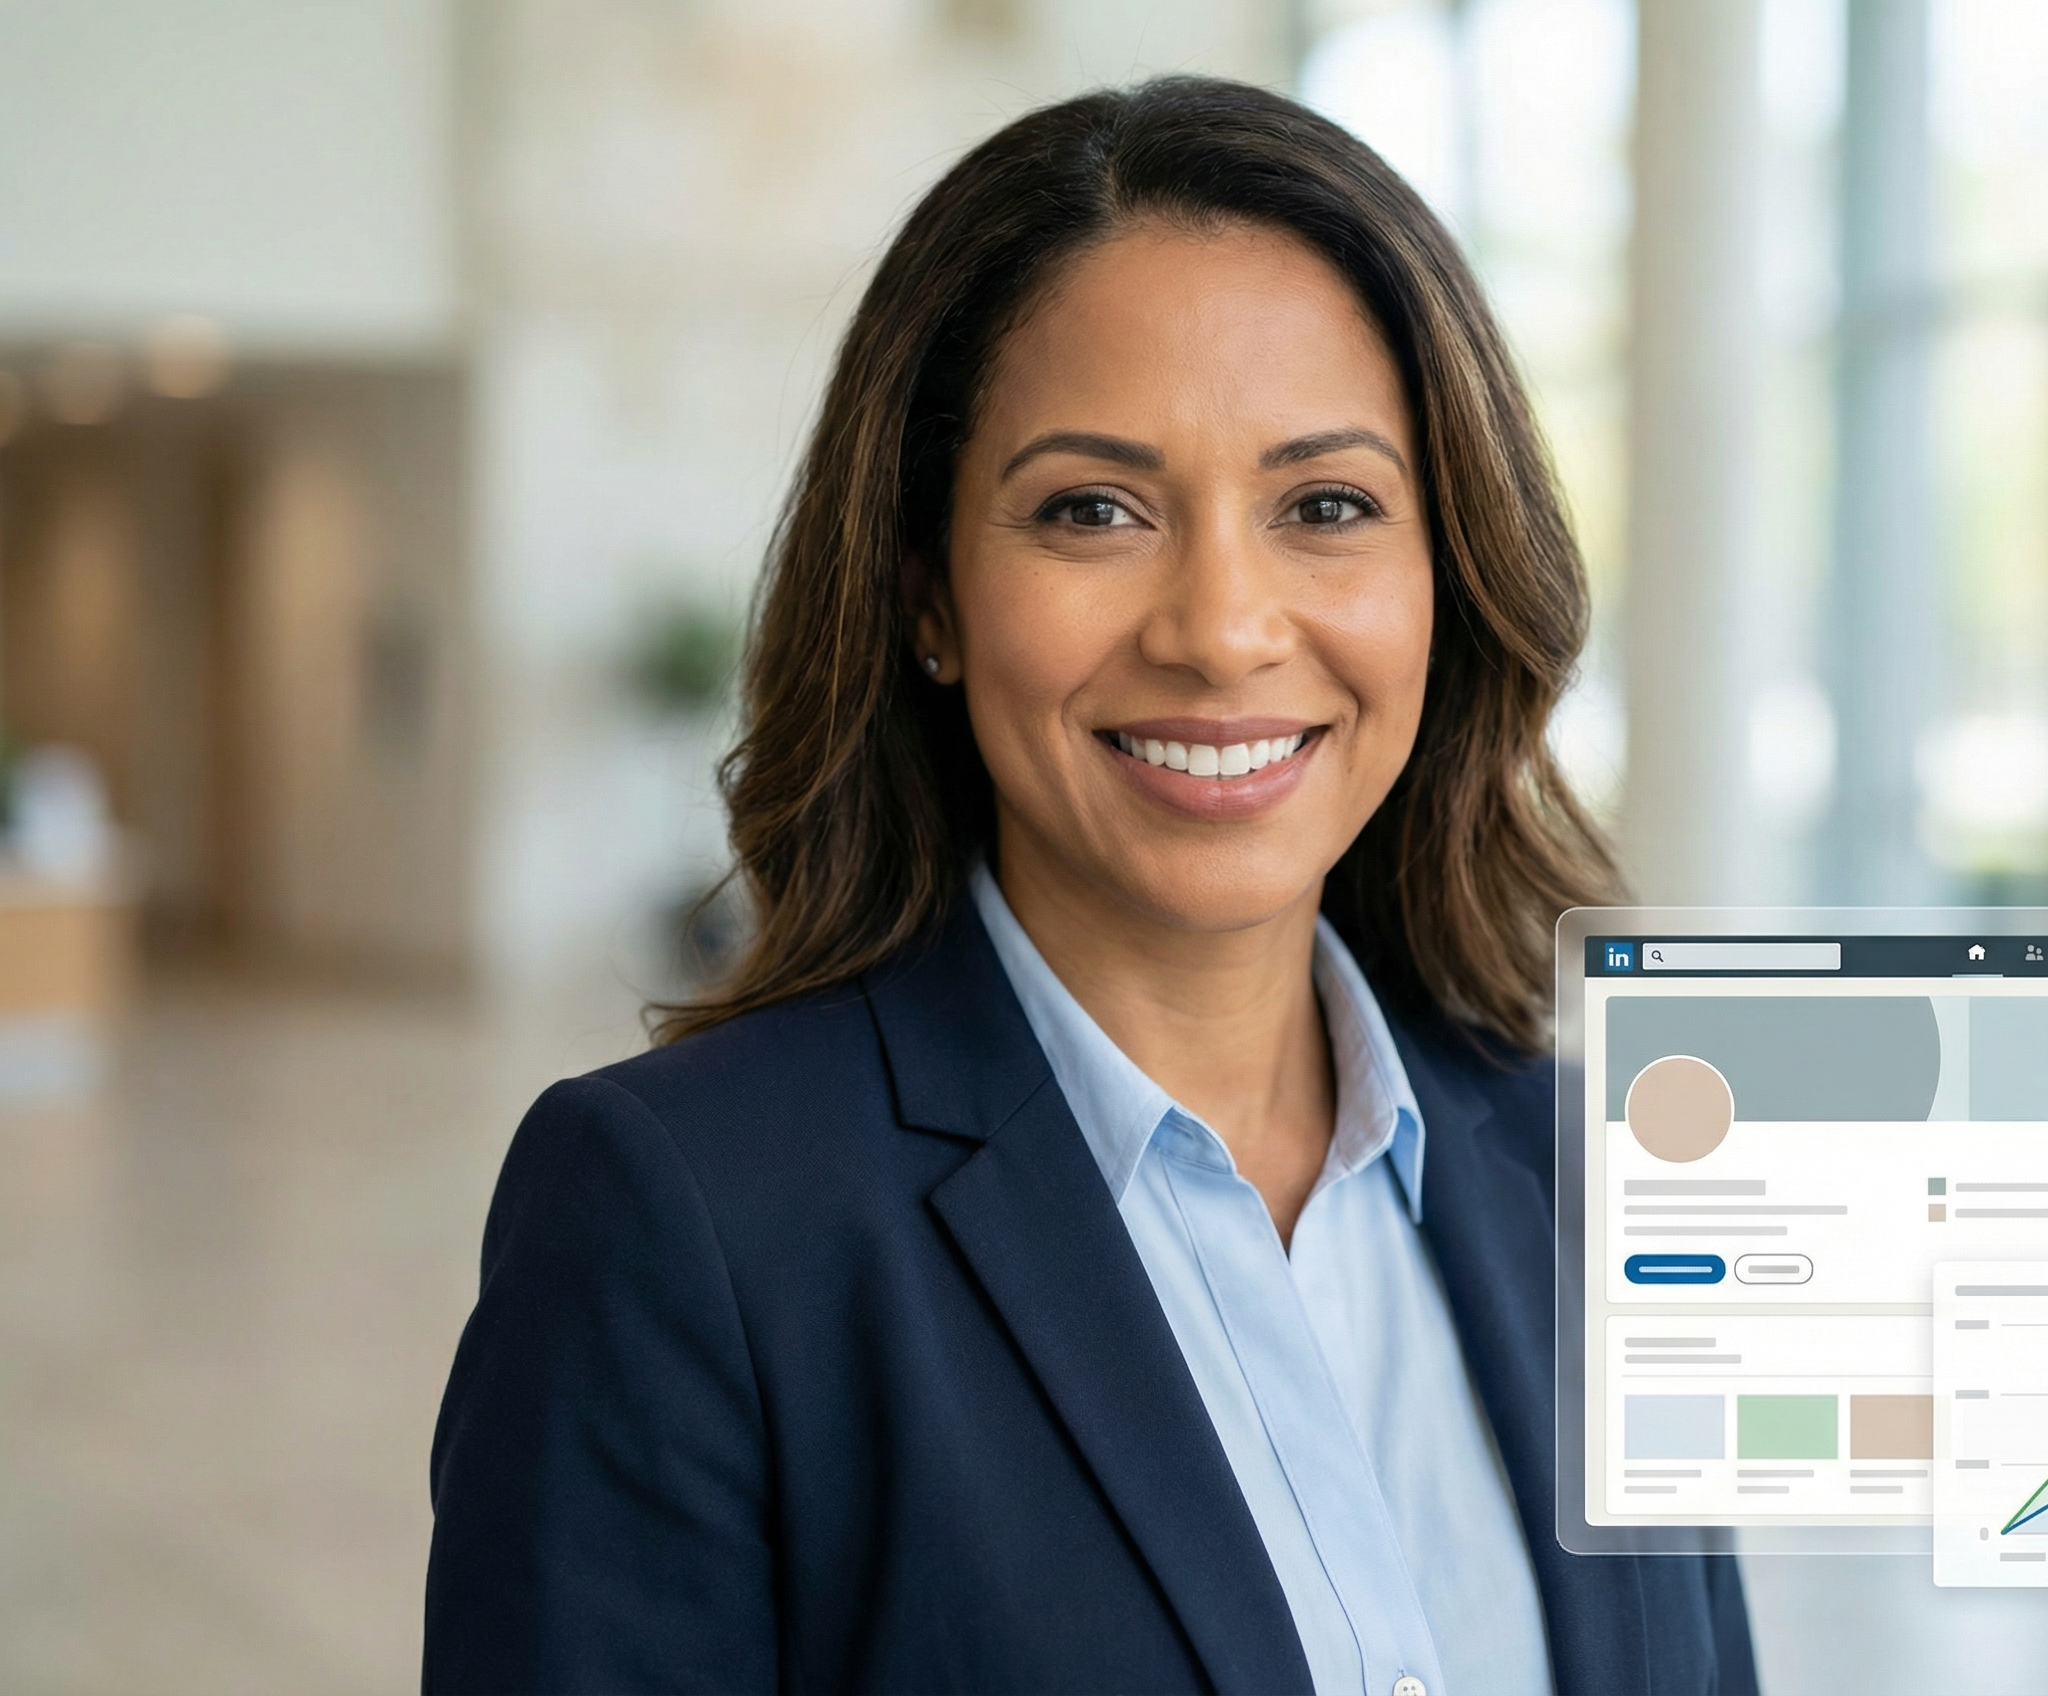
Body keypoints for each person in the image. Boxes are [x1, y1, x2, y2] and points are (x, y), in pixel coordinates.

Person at [423, 75, 1757, 1696]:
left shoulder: (1602, 1184)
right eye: (1094, 510)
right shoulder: (685, 1224)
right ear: (929, 594)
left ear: (1448, 574)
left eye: (1325, 505)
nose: (1221, 626)